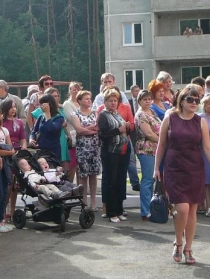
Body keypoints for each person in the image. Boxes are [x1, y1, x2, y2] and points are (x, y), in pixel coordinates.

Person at [154, 85, 210, 264]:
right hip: (174, 167)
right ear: (181, 101)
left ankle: (188, 247)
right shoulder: (170, 118)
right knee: (182, 208)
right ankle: (178, 242)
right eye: (190, 99)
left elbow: (207, 147)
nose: (194, 103)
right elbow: (161, 145)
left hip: (194, 168)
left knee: (192, 209)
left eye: (196, 100)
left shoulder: (200, 122)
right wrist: (156, 168)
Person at [98, 89, 130, 223]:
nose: (113, 103)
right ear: (105, 102)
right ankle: (111, 212)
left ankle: (119, 210)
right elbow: (102, 135)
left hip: (122, 151)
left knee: (121, 181)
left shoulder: (117, 113)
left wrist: (126, 126)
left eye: (115, 100)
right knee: (111, 181)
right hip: (110, 152)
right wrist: (118, 130)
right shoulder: (103, 115)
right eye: (110, 101)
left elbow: (124, 128)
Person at [68, 90, 100, 211]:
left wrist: (86, 129)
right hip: (82, 148)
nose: (89, 100)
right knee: (83, 176)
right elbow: (79, 130)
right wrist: (92, 130)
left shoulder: (95, 113)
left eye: (89, 98)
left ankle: (93, 202)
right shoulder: (75, 114)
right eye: (86, 98)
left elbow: (97, 127)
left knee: (93, 175)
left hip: (95, 147)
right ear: (79, 101)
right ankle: (84, 202)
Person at [134, 89, 161, 220]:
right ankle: (145, 211)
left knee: (154, 180)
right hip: (146, 150)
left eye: (149, 98)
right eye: (145, 99)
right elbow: (149, 134)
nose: (148, 101)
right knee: (147, 181)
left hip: (156, 149)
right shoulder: (141, 115)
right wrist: (163, 141)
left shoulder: (152, 111)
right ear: (139, 101)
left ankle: (154, 208)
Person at [0, 99, 27, 224]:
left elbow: (23, 138)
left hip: (18, 153)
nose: (13, 109)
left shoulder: (19, 123)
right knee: (8, 185)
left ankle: (12, 210)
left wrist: (24, 149)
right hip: (6, 154)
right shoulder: (1, 122)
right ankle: (3, 211)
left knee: (16, 185)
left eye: (15, 107)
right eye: (11, 107)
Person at [62, 81, 82, 182]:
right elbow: (71, 118)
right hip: (72, 137)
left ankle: (80, 188)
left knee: (80, 165)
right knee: (72, 164)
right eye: (73, 89)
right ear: (69, 90)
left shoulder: (81, 102)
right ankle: (69, 186)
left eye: (77, 88)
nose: (75, 90)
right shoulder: (67, 104)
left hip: (82, 137)